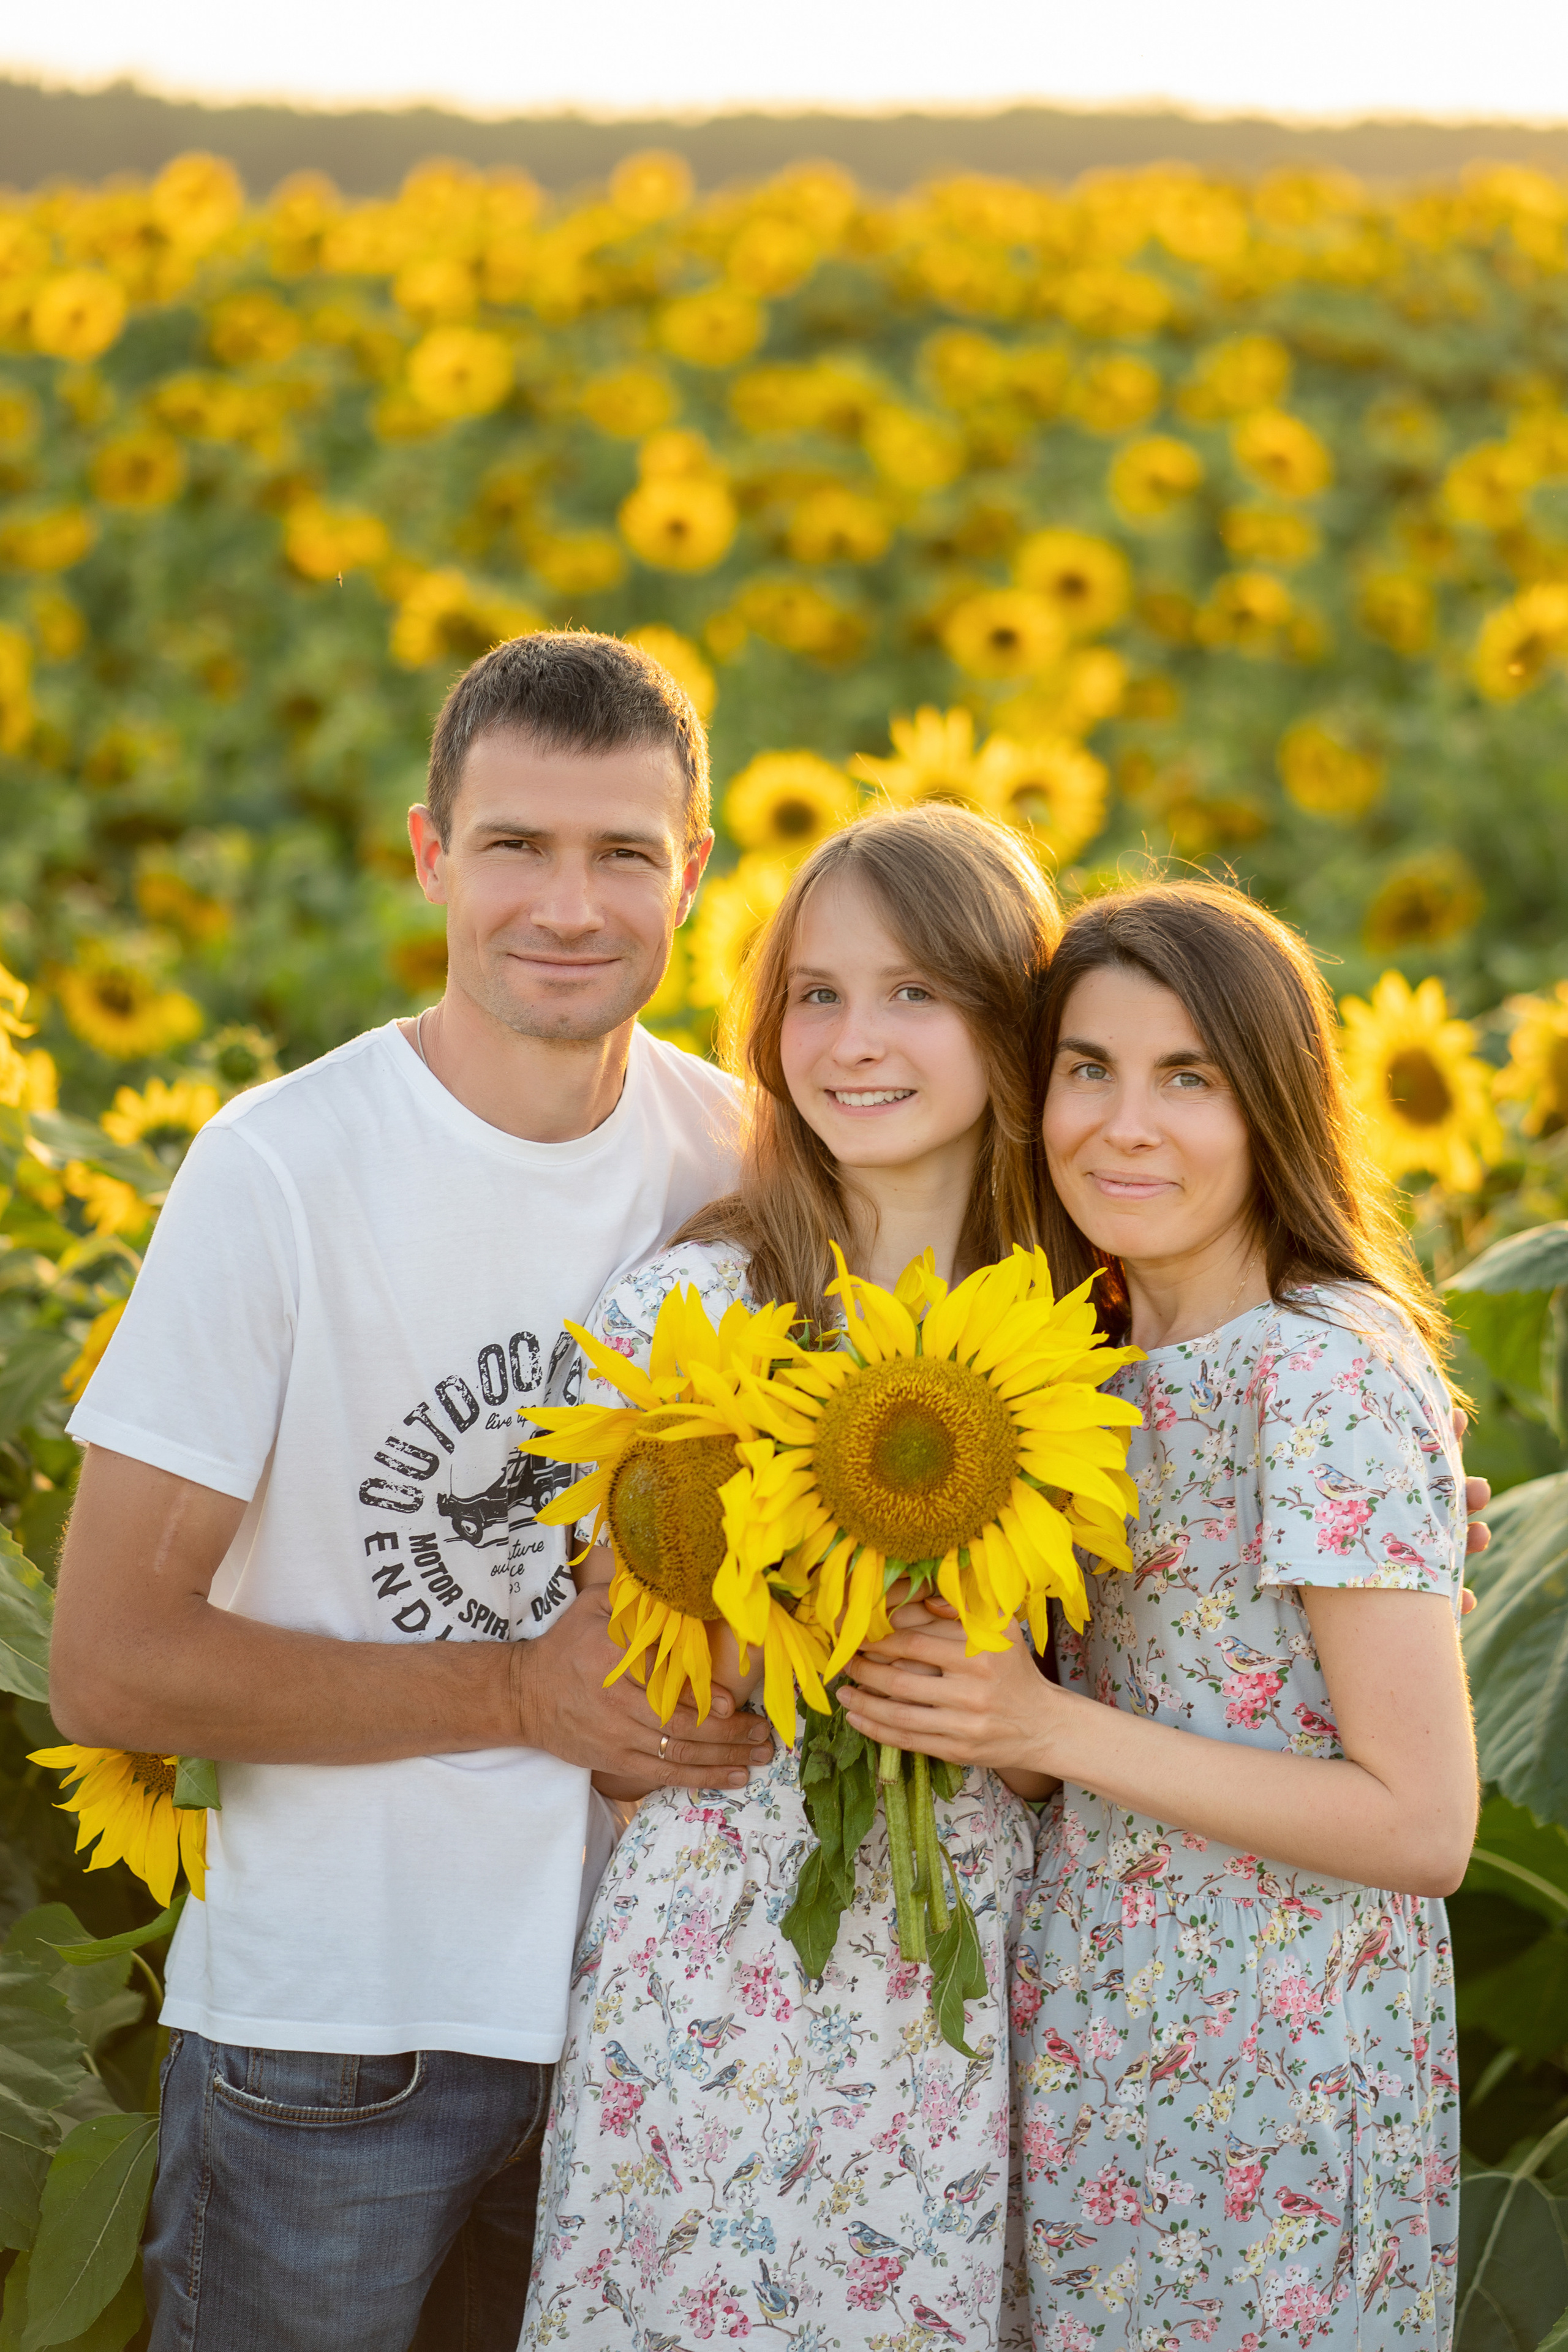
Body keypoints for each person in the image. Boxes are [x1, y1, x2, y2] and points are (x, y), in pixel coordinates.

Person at [47, 631, 775, 2352]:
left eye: (623, 854)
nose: (570, 906)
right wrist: (520, 1690)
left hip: (654, 2021)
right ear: (430, 852)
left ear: (698, 872)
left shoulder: (744, 1158)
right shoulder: (281, 1170)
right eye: (517, 846)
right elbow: (111, 1662)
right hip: (339, 2029)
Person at [839, 882, 1477, 2350]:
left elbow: (1420, 1827)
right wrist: (975, 1701)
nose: (1122, 1125)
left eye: (1185, 1077)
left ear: (1271, 1105)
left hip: (1277, 2082)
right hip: (1099, 2055)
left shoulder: (1318, 1379)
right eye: (1088, 1069)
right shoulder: (1088, 1379)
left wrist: (1049, 1725)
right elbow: (1081, 1742)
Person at [521, 806, 1058, 2350]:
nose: (854, 1039)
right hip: (723, 1986)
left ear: (1006, 1020)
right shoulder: (695, 1310)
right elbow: (629, 1685)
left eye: (913, 993)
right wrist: (808, 1594)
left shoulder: (1086, 1339)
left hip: (981, 1997)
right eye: (814, 995)